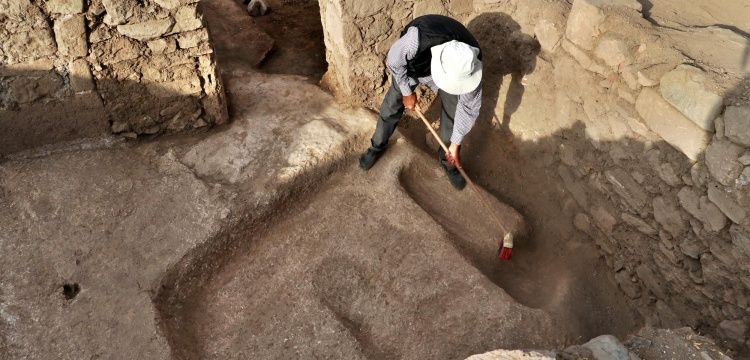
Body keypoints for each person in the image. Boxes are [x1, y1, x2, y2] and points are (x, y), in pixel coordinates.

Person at [359, 14, 483, 190]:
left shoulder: (470, 65)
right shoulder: (415, 41)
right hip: (414, 67)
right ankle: (376, 146)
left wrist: (455, 145)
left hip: (447, 70)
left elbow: (469, 108)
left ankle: (448, 161)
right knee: (392, 105)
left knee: (454, 113)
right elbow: (394, 61)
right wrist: (406, 92)